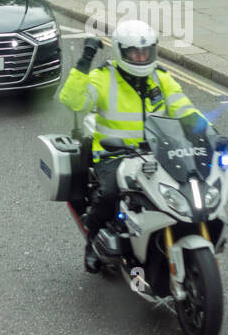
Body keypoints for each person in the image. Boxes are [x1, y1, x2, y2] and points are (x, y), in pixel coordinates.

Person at [58, 19, 216, 274]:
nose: (141, 58)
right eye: (135, 52)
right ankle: (92, 244)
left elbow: (185, 109)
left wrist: (210, 133)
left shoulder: (161, 79)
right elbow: (72, 101)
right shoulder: (103, 77)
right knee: (109, 194)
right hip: (114, 154)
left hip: (159, 153)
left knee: (188, 188)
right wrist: (85, 61)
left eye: (146, 52)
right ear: (121, 51)